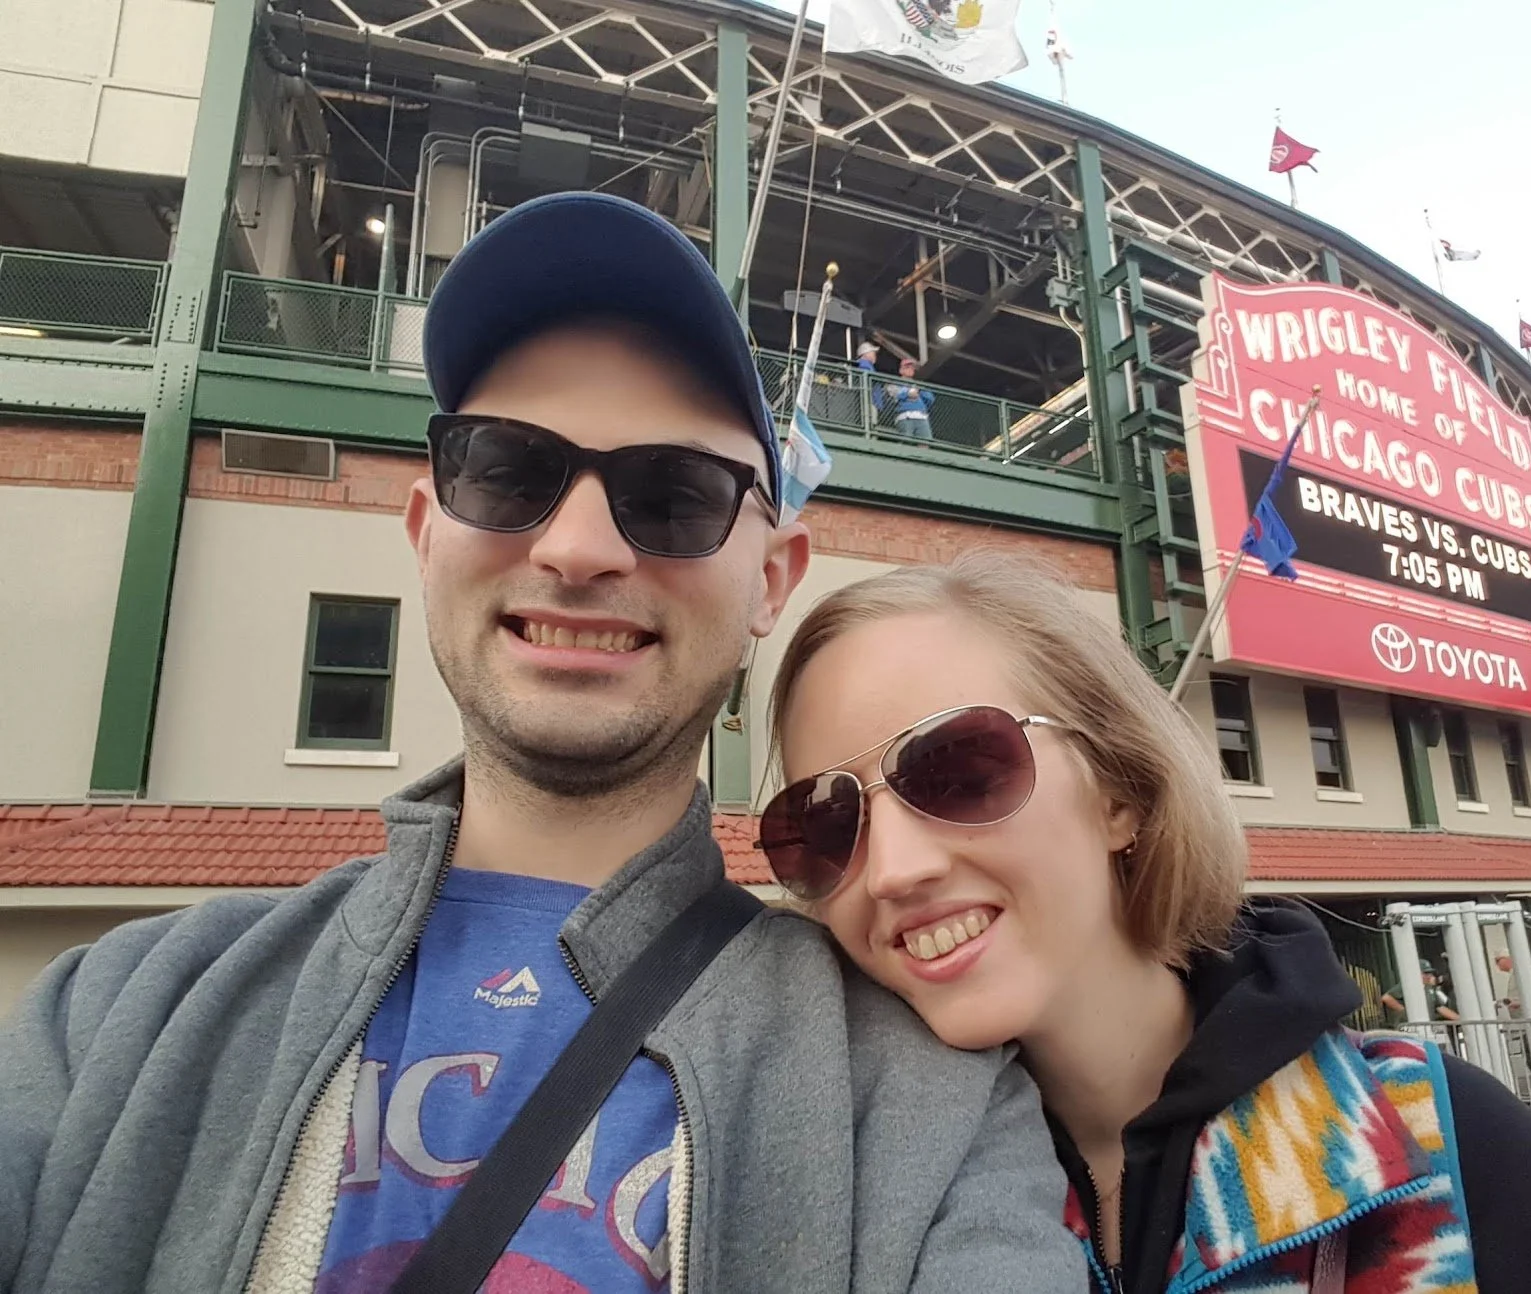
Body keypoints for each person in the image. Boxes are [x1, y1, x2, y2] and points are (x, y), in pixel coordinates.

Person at [0, 196, 1085, 1293]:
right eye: (509, 472)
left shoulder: (916, 1095)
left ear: (771, 577)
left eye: (671, 494)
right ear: (429, 535)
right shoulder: (118, 1014)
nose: (575, 547)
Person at [760, 552, 1531, 1293]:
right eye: (823, 824)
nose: (896, 868)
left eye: (958, 769)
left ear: (1120, 794)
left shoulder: (1436, 1139)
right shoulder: (858, 1200)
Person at [1380, 961, 1462, 1024]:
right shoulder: (1408, 985)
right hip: (1410, 1026)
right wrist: (1404, 1011)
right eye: (1425, 973)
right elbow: (1386, 997)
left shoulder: (1429, 988)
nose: (1429, 976)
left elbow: (1439, 1007)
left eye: (1429, 973)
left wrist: (1459, 1019)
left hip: (1427, 1026)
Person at [878, 355, 936, 440]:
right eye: (907, 367)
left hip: (921, 416)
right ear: (901, 370)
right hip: (905, 416)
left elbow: (931, 399)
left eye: (912, 367)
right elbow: (892, 394)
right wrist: (907, 393)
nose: (911, 369)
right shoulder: (894, 383)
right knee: (906, 441)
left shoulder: (918, 385)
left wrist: (919, 391)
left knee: (926, 442)